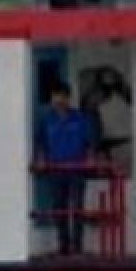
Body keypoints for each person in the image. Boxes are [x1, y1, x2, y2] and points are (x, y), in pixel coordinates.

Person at [36, 81, 94, 255]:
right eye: (55, 96)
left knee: (77, 209)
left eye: (62, 96)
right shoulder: (47, 120)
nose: (59, 100)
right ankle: (63, 246)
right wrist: (40, 160)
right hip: (56, 171)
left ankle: (77, 247)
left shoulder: (80, 119)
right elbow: (40, 143)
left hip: (77, 170)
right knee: (59, 210)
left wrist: (90, 160)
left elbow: (89, 143)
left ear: (68, 98)